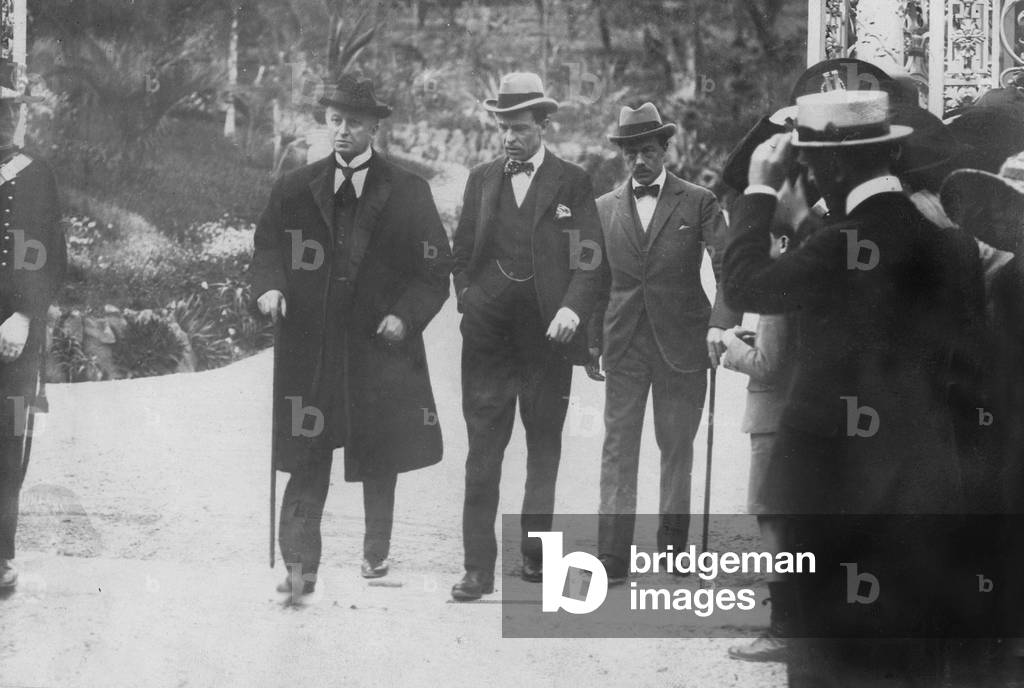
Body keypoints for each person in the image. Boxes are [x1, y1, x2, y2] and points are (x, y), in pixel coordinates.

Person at [723, 90, 979, 685]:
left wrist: (761, 192)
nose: (806, 174)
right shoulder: (944, 241)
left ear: (832, 167)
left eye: (811, 164)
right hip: (918, 493)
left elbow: (746, 284)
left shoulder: (838, 246)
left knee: (827, 662)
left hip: (834, 493)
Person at [251, 75, 453, 597]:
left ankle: (375, 549)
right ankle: (299, 566)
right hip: (311, 343)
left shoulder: (409, 191)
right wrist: (270, 289)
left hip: (377, 344)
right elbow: (267, 247)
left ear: (375, 128)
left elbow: (434, 270)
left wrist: (404, 318)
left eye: (355, 123)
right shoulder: (294, 188)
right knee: (307, 449)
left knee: (378, 449)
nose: (343, 131)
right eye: (336, 120)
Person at [450, 72, 603, 601]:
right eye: (503, 129)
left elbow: (589, 258)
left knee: (544, 449)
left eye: (519, 128)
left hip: (547, 338)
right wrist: (468, 296)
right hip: (488, 337)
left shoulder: (573, 182)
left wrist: (573, 310)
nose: (509, 138)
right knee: (482, 451)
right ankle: (475, 569)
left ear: (542, 124)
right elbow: (461, 249)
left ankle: (536, 561)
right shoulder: (482, 178)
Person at [584, 102, 737, 584]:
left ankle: (672, 549)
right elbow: (593, 277)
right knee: (617, 447)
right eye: (630, 154)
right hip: (624, 342)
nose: (639, 162)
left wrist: (720, 324)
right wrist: (591, 342)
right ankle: (612, 555)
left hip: (683, 343)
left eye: (647, 151)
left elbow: (728, 265)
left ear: (666, 149)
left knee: (676, 447)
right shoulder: (604, 208)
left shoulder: (699, 201)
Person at [720, 220, 802, 663]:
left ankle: (782, 629)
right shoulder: (804, 280)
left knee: (771, 521)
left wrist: (733, 346)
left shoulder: (776, 293)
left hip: (771, 418)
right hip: (794, 416)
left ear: (782, 242)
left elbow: (769, 365)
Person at [0, 95, 67, 592]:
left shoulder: (36, 176)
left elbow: (51, 258)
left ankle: (1, 554)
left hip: (16, 335)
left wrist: (25, 314)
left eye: (8, 110)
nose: (3, 119)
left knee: (8, 441)